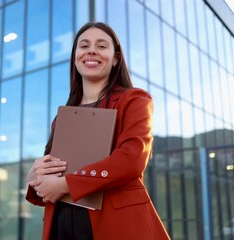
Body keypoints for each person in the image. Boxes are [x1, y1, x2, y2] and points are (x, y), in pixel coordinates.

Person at [26, 22, 170, 240]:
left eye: (102, 46)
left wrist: (66, 184)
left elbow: (131, 160)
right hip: (61, 224)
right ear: (75, 57)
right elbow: (52, 177)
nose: (91, 50)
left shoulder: (134, 100)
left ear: (115, 59)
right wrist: (36, 176)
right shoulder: (62, 117)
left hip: (117, 225)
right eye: (84, 45)